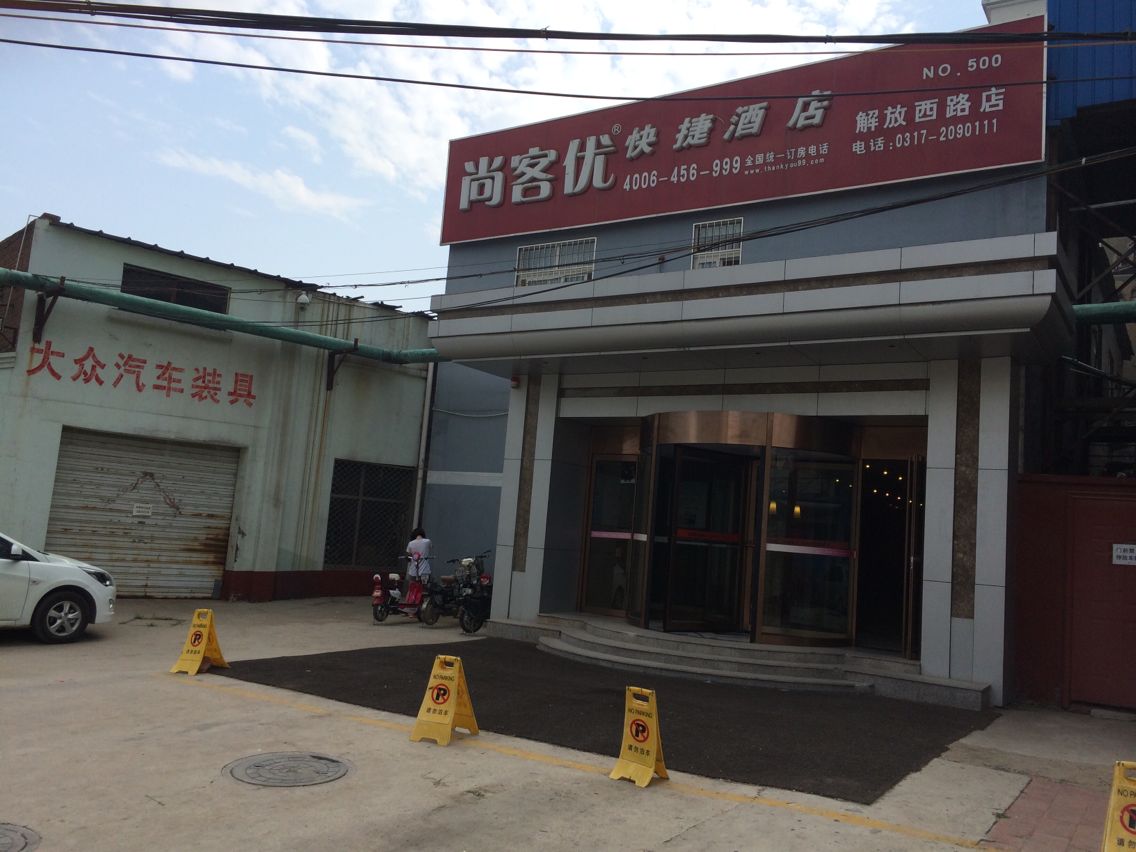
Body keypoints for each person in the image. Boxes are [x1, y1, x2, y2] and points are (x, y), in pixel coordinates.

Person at [404, 527, 432, 606]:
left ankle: (408, 605)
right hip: (424, 571)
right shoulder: (427, 541)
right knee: (423, 589)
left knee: (411, 589)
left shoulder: (411, 543)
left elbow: (408, 556)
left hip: (413, 571)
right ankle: (422, 606)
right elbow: (431, 547)